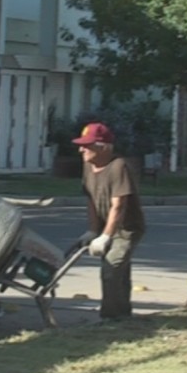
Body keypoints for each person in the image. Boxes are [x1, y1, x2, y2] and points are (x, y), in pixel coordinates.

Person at [74, 122, 146, 320]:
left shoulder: (118, 167)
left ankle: (110, 318)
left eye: (87, 145)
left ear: (103, 146)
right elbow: (90, 198)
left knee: (111, 268)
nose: (81, 150)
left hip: (126, 229)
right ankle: (123, 314)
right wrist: (92, 230)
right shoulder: (88, 166)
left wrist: (105, 236)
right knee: (120, 273)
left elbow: (119, 205)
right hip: (105, 225)